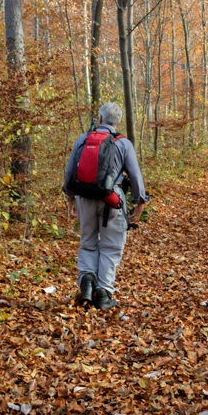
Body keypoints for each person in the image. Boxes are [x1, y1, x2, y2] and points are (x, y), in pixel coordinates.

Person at [63, 102, 149, 309]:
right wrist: (140, 202)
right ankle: (103, 293)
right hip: (112, 199)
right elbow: (136, 177)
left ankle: (86, 283)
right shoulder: (123, 143)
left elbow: (69, 174)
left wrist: (71, 200)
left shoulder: (83, 139)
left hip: (84, 198)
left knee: (88, 242)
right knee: (111, 247)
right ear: (117, 122)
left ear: (100, 119)